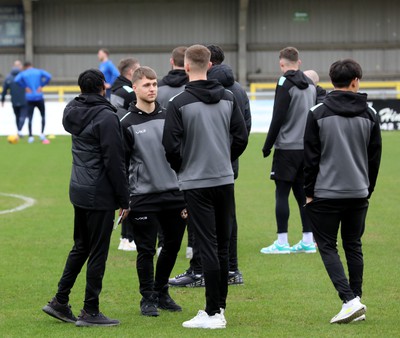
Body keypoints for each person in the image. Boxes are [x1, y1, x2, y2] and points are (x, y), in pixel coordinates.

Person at [163, 44, 248, 329]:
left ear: (186, 67)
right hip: (224, 179)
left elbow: (170, 147)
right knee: (221, 246)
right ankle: (218, 309)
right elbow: (241, 136)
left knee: (208, 247)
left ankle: (213, 313)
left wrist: (185, 168)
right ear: (210, 65)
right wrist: (223, 159)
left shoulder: (178, 103)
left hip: (196, 182)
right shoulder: (227, 97)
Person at [42, 69, 130, 327]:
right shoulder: (106, 117)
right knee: (97, 252)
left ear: (80, 87)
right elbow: (115, 162)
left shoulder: (72, 110)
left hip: (78, 188)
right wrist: (125, 199)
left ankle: (59, 301)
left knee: (81, 246)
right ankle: (90, 310)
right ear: (104, 86)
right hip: (99, 192)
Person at [303, 59, 382, 324]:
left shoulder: (316, 113)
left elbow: (311, 158)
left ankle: (350, 301)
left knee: (327, 245)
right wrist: (367, 188)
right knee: (353, 245)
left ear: (331, 79)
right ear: (356, 80)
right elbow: (374, 158)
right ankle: (355, 299)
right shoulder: (370, 114)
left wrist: (308, 192)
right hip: (358, 191)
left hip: (325, 192)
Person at [120, 66, 187, 317]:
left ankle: (162, 292)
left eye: (155, 84)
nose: (152, 89)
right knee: (146, 250)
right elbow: (121, 165)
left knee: (171, 247)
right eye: (146, 85)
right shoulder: (126, 123)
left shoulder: (171, 116)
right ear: (135, 87)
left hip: (175, 193)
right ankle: (147, 298)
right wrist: (124, 198)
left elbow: (184, 154)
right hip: (143, 196)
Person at [260, 46, 317, 254]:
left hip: (287, 148)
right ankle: (308, 241)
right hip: (306, 148)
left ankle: (282, 243)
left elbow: (278, 116)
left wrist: (267, 145)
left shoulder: (283, 82)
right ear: (299, 62)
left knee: (281, 194)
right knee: (304, 195)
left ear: (281, 64)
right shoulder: (311, 84)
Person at [14, 61, 52, 144]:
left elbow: (16, 80)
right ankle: (42, 134)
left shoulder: (24, 73)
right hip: (39, 97)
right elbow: (49, 76)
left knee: (30, 117)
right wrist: (42, 85)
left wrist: (24, 86)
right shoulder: (38, 71)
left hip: (29, 98)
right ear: (31, 65)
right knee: (42, 115)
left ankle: (31, 136)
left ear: (25, 66)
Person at [1, 60, 27, 137]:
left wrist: (2, 100)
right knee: (23, 116)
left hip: (14, 101)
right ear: (20, 66)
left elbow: (4, 90)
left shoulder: (8, 77)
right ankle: (20, 130)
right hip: (24, 99)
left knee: (17, 116)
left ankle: (19, 131)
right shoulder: (23, 76)